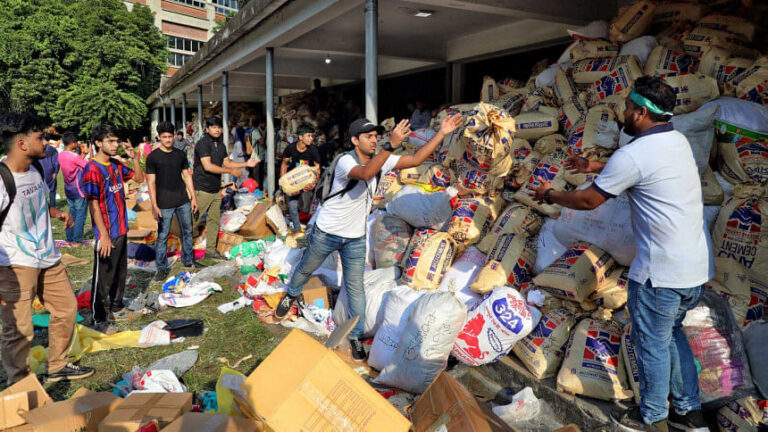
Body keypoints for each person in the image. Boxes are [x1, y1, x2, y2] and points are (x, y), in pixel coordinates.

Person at [529, 76, 712, 432]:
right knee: (673, 335)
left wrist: (550, 195)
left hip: (661, 273)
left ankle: (654, 417)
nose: (624, 112)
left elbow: (588, 200)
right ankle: (690, 412)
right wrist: (595, 168)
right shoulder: (677, 141)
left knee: (652, 346)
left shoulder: (634, 154)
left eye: (628, 107)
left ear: (641, 112)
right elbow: (643, 168)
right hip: (695, 271)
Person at [274, 113, 464, 360]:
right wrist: (390, 145)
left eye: (376, 136)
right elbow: (365, 174)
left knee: (356, 288)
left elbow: (417, 158)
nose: (374, 140)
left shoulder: (381, 159)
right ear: (355, 140)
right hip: (328, 232)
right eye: (368, 137)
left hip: (354, 238)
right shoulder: (343, 161)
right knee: (306, 267)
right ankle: (290, 295)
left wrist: (441, 133)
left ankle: (355, 336)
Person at [0, 113, 95, 384]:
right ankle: (19, 384)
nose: (47, 142)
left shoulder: (34, 170)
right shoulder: (1, 178)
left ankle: (57, 365)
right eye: (40, 137)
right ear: (21, 144)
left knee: (66, 309)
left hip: (48, 257)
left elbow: (36, 201)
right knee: (19, 329)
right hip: (15, 263)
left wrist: (56, 213)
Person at [83, 124, 144, 333]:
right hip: (107, 232)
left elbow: (138, 178)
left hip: (121, 228)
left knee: (119, 272)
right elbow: (93, 205)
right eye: (111, 141)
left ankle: (116, 306)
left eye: (117, 141)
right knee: (103, 278)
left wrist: (133, 157)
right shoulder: (92, 169)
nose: (116, 145)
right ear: (98, 143)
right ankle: (98, 317)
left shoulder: (116, 165)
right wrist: (104, 236)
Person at [193, 117, 259, 259]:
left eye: (218, 127)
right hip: (202, 188)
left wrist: (246, 164)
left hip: (216, 188)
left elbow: (227, 163)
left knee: (214, 220)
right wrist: (230, 172)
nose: (217, 129)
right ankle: (186, 249)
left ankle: (210, 251)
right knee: (195, 220)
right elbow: (208, 166)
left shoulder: (221, 145)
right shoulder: (203, 144)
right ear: (207, 129)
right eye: (214, 127)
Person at [147, 122, 202, 281]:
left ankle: (188, 260)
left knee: (187, 231)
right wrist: (154, 205)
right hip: (164, 203)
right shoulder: (153, 157)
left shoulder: (180, 154)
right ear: (159, 137)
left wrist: (193, 197)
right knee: (163, 236)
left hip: (182, 200)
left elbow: (186, 176)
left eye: (170, 136)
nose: (168, 140)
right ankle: (161, 268)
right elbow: (151, 182)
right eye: (164, 137)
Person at [280, 124, 321, 232]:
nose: (311, 139)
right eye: (308, 136)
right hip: (295, 182)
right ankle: (298, 231)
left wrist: (314, 184)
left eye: (312, 136)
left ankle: (311, 230)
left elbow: (317, 168)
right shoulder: (291, 148)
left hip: (308, 183)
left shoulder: (313, 150)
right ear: (301, 137)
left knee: (307, 208)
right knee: (292, 206)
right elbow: (284, 164)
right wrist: (284, 181)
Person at [58, 131, 88, 244]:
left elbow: (76, 164)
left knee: (71, 213)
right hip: (79, 189)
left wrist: (82, 155)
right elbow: (86, 166)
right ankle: (77, 239)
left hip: (68, 188)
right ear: (72, 143)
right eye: (76, 142)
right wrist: (88, 153)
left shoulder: (61, 155)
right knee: (80, 214)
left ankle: (69, 238)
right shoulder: (75, 156)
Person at [39, 139, 60, 208]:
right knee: (51, 189)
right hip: (47, 172)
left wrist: (55, 172)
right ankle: (51, 206)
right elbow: (56, 162)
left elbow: (57, 162)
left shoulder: (39, 148)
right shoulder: (52, 149)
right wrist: (55, 172)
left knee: (43, 190)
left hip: (43, 172)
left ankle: (46, 206)